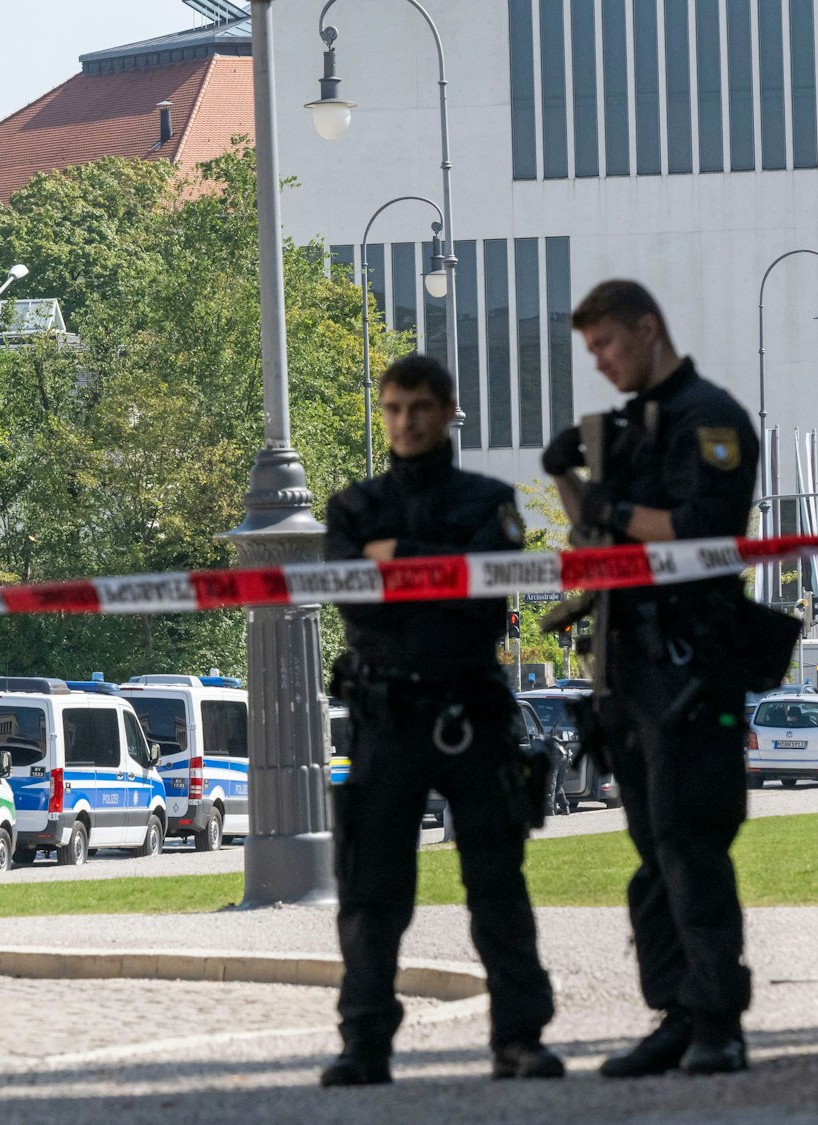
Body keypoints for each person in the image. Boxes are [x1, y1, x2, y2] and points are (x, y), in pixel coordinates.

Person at [322, 352, 560, 1086]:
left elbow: (483, 601)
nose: (406, 422)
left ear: (447, 412)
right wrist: (439, 566)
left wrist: (399, 560)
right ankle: (364, 1044)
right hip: (386, 715)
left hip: (471, 710)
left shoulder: (490, 500)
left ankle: (519, 1038)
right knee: (371, 893)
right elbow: (357, 602)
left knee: (497, 884)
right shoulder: (353, 508)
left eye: (420, 407)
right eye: (394, 408)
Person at [542, 280, 761, 1076]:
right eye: (591, 349)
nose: (599, 361)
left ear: (647, 328)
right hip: (628, 664)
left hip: (692, 662)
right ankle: (676, 1011)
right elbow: (595, 536)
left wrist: (610, 504)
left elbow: (705, 528)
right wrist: (568, 477)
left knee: (689, 843)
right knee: (653, 853)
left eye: (606, 344)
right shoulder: (630, 429)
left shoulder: (711, 418)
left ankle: (718, 1022)